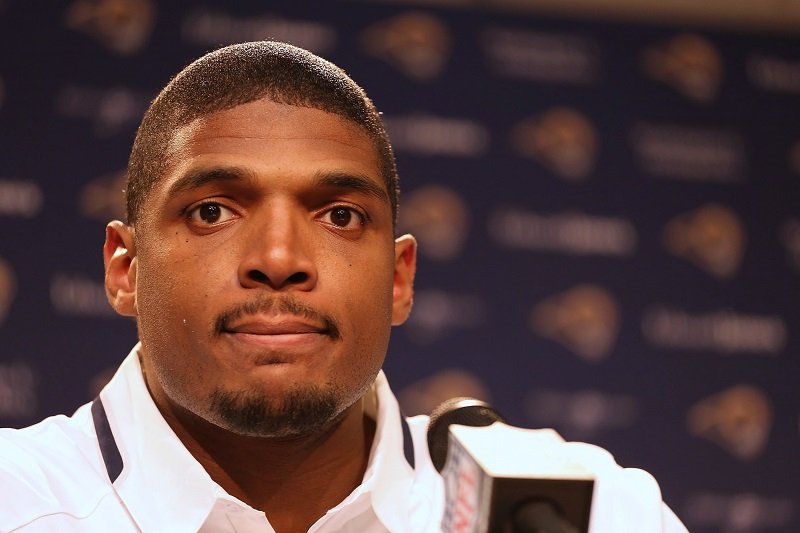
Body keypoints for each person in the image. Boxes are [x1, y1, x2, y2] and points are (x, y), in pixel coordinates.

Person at [0, 41, 687, 532]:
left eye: (339, 215)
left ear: (399, 277)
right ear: (126, 266)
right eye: (212, 210)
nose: (279, 257)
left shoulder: (590, 513)